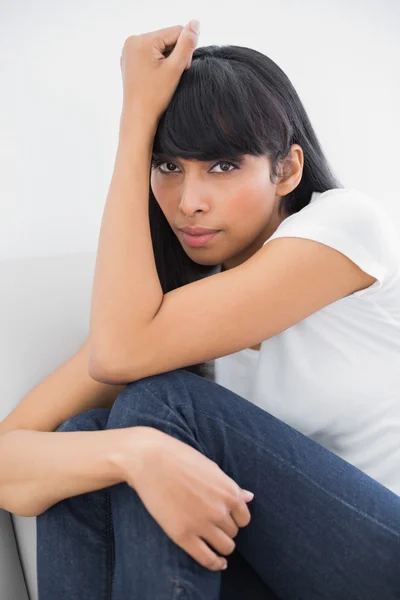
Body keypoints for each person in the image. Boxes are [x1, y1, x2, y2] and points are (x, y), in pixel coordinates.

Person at [2, 21, 399, 600]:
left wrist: (136, 117)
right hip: (282, 574)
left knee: (156, 401)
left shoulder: (344, 226)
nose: (188, 202)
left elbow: (118, 354)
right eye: (167, 167)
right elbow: (10, 452)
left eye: (221, 166)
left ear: (285, 169)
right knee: (86, 440)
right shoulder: (176, 317)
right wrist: (132, 453)